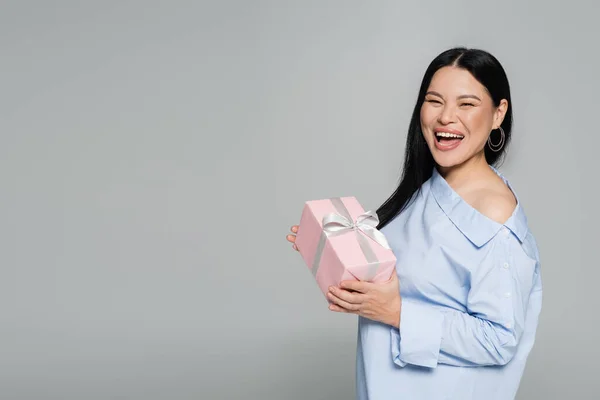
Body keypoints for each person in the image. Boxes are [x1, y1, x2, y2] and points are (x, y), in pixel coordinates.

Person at [286, 47, 542, 399]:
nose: (445, 117)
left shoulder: (494, 217)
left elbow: (499, 339)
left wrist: (396, 312)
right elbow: (410, 278)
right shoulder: (430, 186)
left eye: (466, 104)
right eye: (434, 101)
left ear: (499, 114)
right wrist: (332, 251)